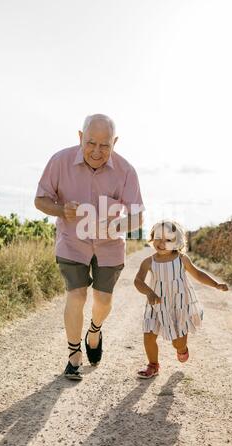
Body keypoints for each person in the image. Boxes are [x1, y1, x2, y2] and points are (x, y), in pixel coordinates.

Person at [35, 114, 144, 380]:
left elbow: (138, 217)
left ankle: (94, 331)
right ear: (81, 137)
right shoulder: (59, 161)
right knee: (77, 295)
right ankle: (74, 356)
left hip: (109, 246)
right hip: (72, 242)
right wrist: (62, 210)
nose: (97, 151)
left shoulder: (126, 171)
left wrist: (114, 228)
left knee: (103, 301)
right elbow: (40, 200)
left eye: (105, 145)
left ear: (114, 143)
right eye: (91, 143)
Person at [134, 220, 228, 379]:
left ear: (177, 242)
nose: (162, 243)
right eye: (158, 238)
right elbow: (138, 281)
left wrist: (216, 284)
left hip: (178, 304)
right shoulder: (149, 261)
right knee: (148, 334)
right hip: (156, 304)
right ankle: (153, 365)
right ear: (152, 238)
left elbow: (198, 274)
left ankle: (182, 349)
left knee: (178, 342)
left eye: (168, 240)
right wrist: (149, 292)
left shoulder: (181, 259)